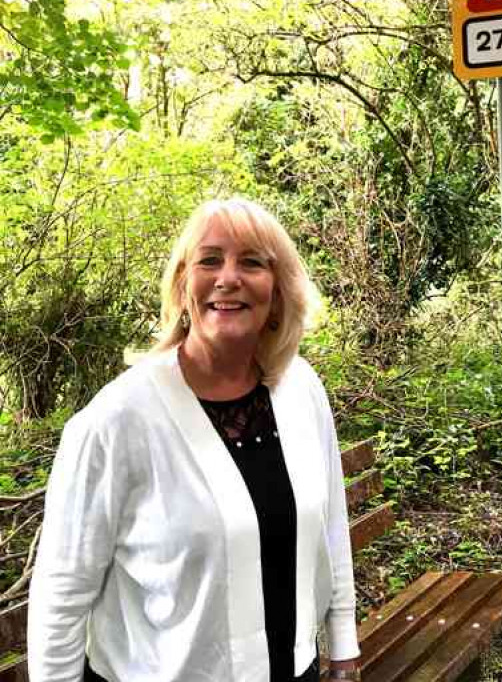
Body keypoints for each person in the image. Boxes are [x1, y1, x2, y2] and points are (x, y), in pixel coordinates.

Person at [28, 197, 361, 682]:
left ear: (279, 290)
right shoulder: (117, 420)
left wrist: (344, 645)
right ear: (183, 285)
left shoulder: (300, 389)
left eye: (251, 261)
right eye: (209, 260)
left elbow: (332, 525)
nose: (228, 277)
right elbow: (62, 591)